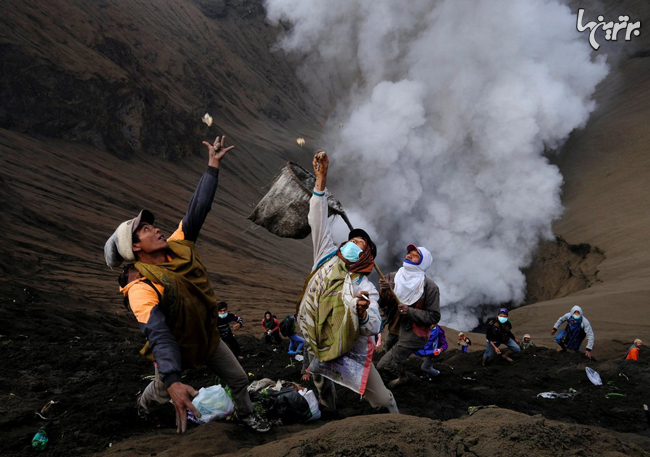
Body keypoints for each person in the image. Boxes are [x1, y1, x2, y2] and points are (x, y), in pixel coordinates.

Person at [103, 136, 269, 433]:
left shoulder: (178, 246)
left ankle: (247, 416)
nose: (155, 228)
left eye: (151, 225)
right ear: (135, 248)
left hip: (206, 337)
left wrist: (212, 166)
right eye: (145, 229)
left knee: (240, 379)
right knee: (163, 388)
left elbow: (197, 210)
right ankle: (144, 405)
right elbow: (158, 332)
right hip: (178, 348)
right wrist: (172, 377)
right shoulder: (141, 288)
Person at [297, 151, 398, 413]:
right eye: (353, 240)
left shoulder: (366, 288)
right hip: (316, 334)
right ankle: (328, 409)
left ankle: (397, 421)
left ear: (367, 256)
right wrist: (321, 179)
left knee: (382, 399)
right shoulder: (325, 256)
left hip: (349, 347)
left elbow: (374, 324)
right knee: (320, 380)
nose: (353, 244)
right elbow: (317, 218)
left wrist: (362, 314)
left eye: (361, 244)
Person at [377, 245, 441, 387]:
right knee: (395, 357)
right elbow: (382, 304)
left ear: (423, 262)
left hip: (412, 334)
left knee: (385, 365)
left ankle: (383, 394)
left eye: (415, 255)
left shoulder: (430, 288)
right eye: (409, 253)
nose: (409, 256)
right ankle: (403, 378)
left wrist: (410, 311)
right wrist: (383, 292)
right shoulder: (391, 278)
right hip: (394, 329)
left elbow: (434, 316)